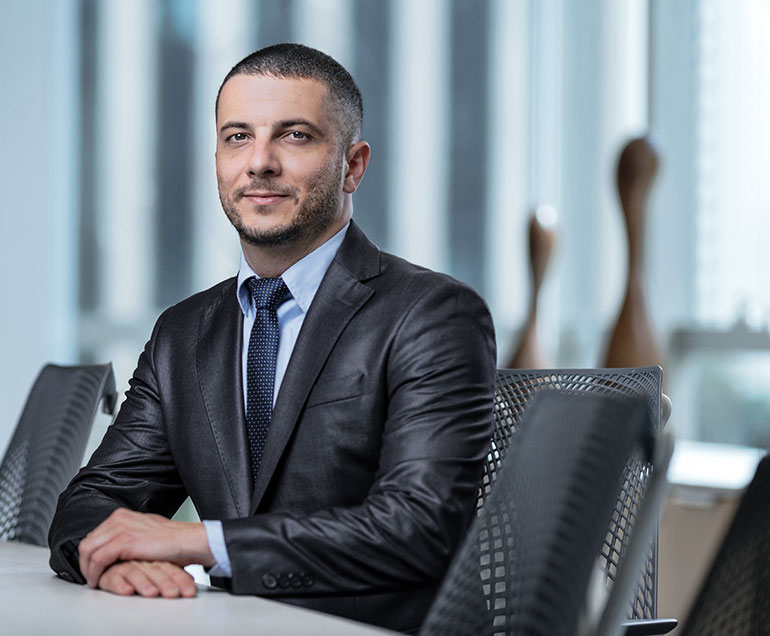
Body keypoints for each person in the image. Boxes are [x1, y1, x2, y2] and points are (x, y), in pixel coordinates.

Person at [48, 43, 496, 633]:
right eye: (237, 137)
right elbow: (92, 502)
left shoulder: (433, 314)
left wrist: (199, 542)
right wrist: (112, 559)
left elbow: (417, 528)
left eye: (294, 136)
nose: (259, 162)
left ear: (353, 165)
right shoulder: (182, 334)